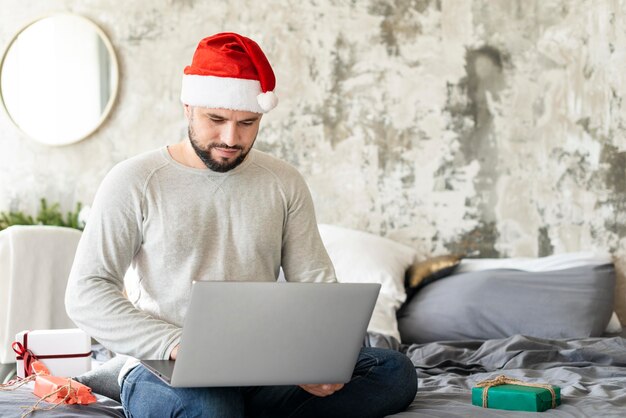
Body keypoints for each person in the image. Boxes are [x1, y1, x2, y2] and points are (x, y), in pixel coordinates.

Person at [65, 32, 417, 418]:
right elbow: (86, 292)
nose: (231, 138)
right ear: (188, 107)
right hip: (164, 364)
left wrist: (315, 357)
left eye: (247, 123)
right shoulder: (134, 179)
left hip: (262, 364)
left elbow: (315, 284)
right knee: (212, 407)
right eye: (215, 119)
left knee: (393, 372)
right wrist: (176, 343)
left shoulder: (283, 181)